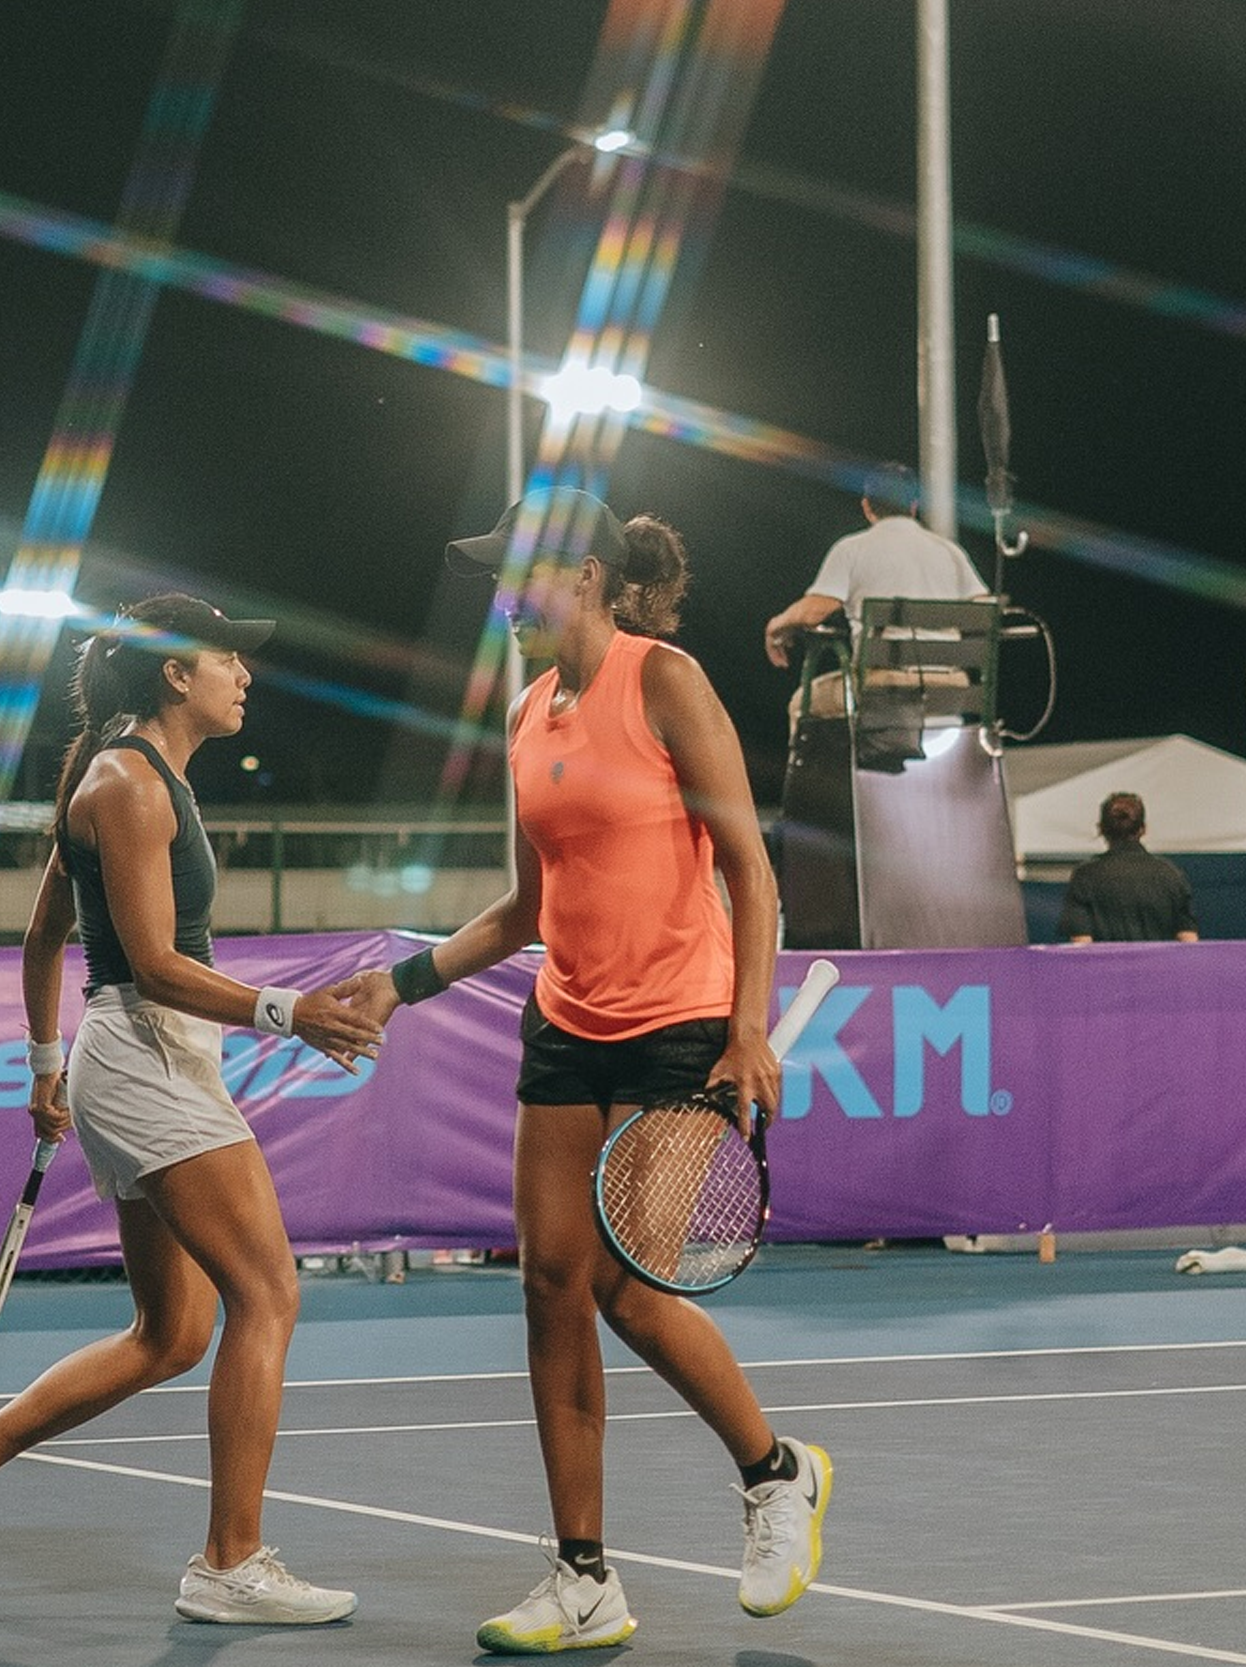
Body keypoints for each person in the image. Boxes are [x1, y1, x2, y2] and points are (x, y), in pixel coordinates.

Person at [342, 487, 830, 1653]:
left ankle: (776, 1473)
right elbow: (524, 906)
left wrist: (747, 1024)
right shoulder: (524, 710)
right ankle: (582, 1575)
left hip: (681, 1025)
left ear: (590, 580)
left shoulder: (665, 681)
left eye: (521, 573)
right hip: (566, 1022)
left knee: (627, 1285)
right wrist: (400, 984)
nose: (503, 595)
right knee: (549, 1287)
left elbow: (752, 868)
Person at [0, 593, 384, 1624]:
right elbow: (154, 964)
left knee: (171, 1332)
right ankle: (228, 1561)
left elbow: (43, 937)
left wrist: (44, 1065)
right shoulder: (127, 782)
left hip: (135, 1054)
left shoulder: (123, 773)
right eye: (229, 657)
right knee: (270, 1292)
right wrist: (288, 1011)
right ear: (174, 673)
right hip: (151, 1054)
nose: (245, 673)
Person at [761, 464, 988, 692]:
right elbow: (984, 611)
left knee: (802, 705)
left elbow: (814, 612)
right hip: (949, 684)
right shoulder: (950, 551)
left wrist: (775, 625)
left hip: (882, 685)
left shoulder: (851, 549)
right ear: (914, 506)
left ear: (867, 506)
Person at [1059, 792, 1200, 943]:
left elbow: (1081, 942)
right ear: (1143, 829)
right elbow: (1188, 939)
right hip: (1159, 966)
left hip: (1107, 966)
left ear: (1100, 829)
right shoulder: (1171, 874)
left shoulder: (1085, 876)